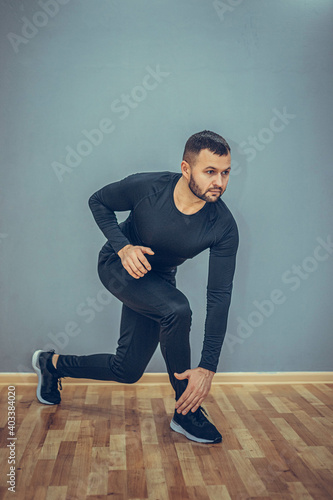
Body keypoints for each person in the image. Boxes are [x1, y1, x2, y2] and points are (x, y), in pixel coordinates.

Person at [32, 130, 239, 444]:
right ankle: (186, 412)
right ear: (186, 169)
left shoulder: (223, 226)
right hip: (119, 266)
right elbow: (98, 201)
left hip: (158, 280)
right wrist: (123, 247)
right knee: (177, 310)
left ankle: (51, 364)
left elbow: (220, 295)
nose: (219, 182)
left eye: (225, 173)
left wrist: (207, 366)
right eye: (210, 171)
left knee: (126, 370)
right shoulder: (149, 187)